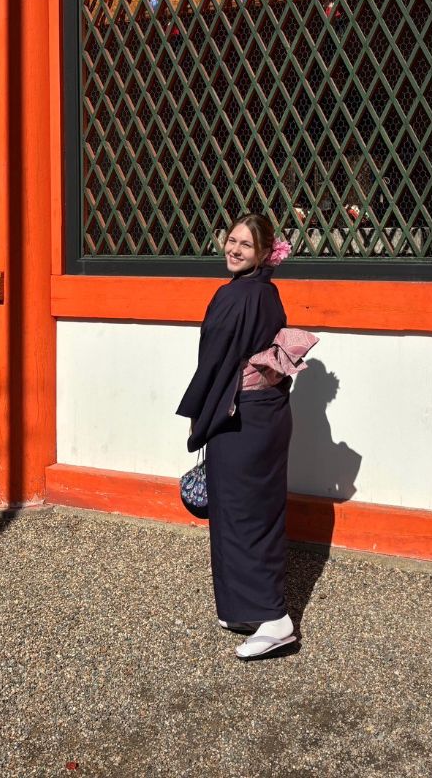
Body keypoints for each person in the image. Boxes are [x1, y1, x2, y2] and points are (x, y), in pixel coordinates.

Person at [177, 213, 310, 660]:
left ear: (264, 253)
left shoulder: (233, 296)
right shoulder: (268, 294)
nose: (234, 250)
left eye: (245, 246)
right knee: (257, 511)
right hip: (269, 414)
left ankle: (275, 621)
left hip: (242, 418)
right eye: (231, 240)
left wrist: (200, 416)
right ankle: (242, 607)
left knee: (241, 515)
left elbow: (214, 362)